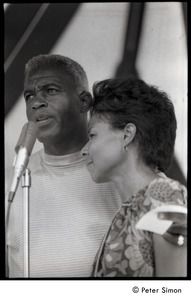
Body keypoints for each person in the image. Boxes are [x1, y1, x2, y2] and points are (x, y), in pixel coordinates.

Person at [6, 54, 186, 278]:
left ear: (84, 102)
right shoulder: (12, 183)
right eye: (29, 96)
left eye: (50, 90)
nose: (36, 102)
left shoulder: (157, 192)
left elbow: (176, 287)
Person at [81, 76, 187, 277]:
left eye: (92, 135)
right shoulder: (129, 210)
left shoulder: (164, 195)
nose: (84, 151)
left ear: (127, 134)